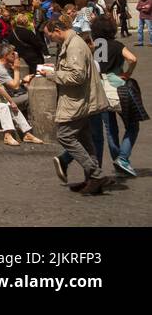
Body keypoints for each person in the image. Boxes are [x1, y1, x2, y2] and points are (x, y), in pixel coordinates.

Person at [47, 15, 111, 193]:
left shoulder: (74, 45)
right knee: (85, 139)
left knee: (65, 135)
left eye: (50, 36)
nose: (50, 40)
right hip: (81, 100)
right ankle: (92, 181)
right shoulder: (72, 43)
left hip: (79, 100)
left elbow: (77, 76)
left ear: (57, 30)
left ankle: (95, 174)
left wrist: (52, 75)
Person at [90, 15, 145, 178]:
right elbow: (132, 59)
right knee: (132, 125)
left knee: (110, 129)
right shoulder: (116, 45)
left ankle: (118, 160)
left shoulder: (96, 46)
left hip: (101, 89)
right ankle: (122, 158)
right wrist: (128, 73)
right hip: (117, 88)